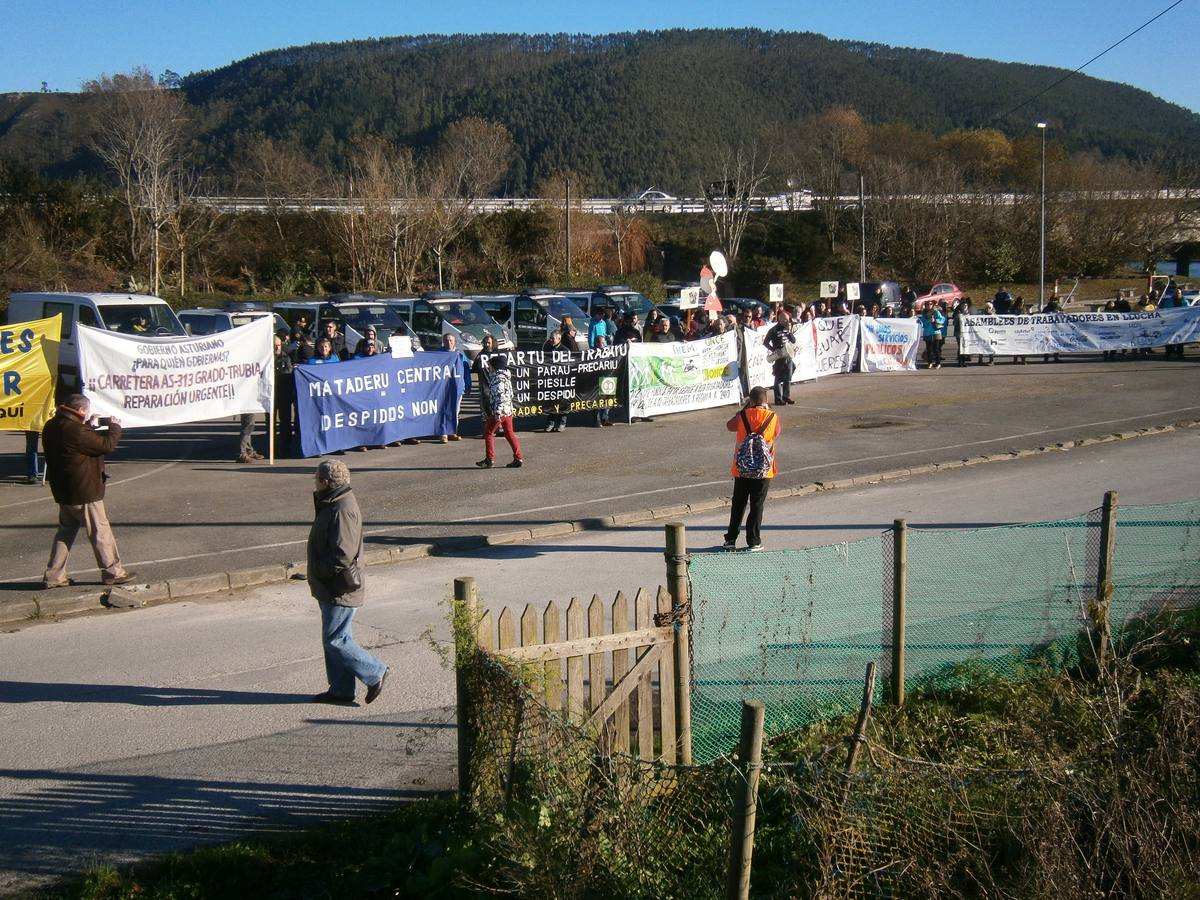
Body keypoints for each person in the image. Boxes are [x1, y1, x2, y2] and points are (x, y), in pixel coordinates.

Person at [307, 459, 387, 706]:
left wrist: (319, 571)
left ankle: (375, 672)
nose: (315, 483)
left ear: (326, 482)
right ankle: (341, 690)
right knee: (332, 638)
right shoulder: (333, 502)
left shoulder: (342, 509)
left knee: (337, 640)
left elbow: (343, 554)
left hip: (338, 586)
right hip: (331, 585)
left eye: (317, 479)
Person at [41, 394, 136, 588]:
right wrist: (115, 427)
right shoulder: (77, 430)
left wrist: (89, 427)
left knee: (65, 532)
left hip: (63, 489)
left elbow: (77, 445)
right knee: (100, 531)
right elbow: (105, 445)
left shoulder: (52, 425)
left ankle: (54, 575)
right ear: (81, 410)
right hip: (84, 489)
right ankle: (112, 572)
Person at [722, 387, 780, 552]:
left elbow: (729, 426)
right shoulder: (773, 417)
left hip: (742, 468)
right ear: (766, 401)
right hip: (763, 470)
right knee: (757, 504)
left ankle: (731, 539)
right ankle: (754, 541)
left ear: (751, 400)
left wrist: (744, 410)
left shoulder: (742, 416)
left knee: (738, 504)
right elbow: (777, 432)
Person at [473, 335, 523, 468]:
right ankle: (518, 457)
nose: (488, 368)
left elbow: (500, 397)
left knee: (488, 433)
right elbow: (510, 395)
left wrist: (497, 413)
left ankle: (489, 459)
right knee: (509, 433)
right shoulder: (506, 377)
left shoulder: (497, 380)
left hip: (500, 412)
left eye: (490, 366)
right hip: (508, 411)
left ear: (495, 367)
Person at [440, 333, 469, 442]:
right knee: (442, 410)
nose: (449, 342)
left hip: (457, 387)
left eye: (451, 340)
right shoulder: (438, 354)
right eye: (446, 340)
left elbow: (466, 370)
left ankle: (452, 432)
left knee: (455, 410)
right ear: (443, 342)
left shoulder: (460, 355)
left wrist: (468, 385)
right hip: (442, 388)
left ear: (455, 342)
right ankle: (443, 434)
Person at [764, 311, 797, 405]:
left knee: (788, 376)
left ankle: (786, 396)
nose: (787, 321)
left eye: (788, 319)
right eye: (785, 319)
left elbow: (793, 340)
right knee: (778, 377)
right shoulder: (773, 330)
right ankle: (778, 399)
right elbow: (765, 342)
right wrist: (774, 350)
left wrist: (789, 331)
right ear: (780, 319)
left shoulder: (787, 328)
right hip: (779, 356)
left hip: (788, 355)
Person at [541, 331, 569, 432]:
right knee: (551, 403)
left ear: (559, 339)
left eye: (553, 338)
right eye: (550, 338)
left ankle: (562, 423)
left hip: (562, 380)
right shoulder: (547, 348)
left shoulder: (565, 350)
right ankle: (550, 423)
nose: (551, 340)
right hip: (551, 381)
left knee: (563, 402)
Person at [274, 334, 296, 455]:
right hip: (271, 395)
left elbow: (288, 373)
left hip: (284, 394)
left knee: (286, 422)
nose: (277, 348)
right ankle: (272, 447)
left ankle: (286, 448)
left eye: (278, 345)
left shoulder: (286, 357)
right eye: (274, 346)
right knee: (270, 423)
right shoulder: (266, 358)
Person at [921, 304, 946, 369]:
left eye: (930, 304)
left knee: (936, 349)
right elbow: (922, 323)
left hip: (936, 332)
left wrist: (935, 320)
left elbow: (942, 319)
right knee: (929, 349)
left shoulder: (936, 312)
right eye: (927, 304)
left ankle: (938, 363)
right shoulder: (924, 313)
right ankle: (930, 362)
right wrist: (928, 321)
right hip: (928, 333)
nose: (929, 306)